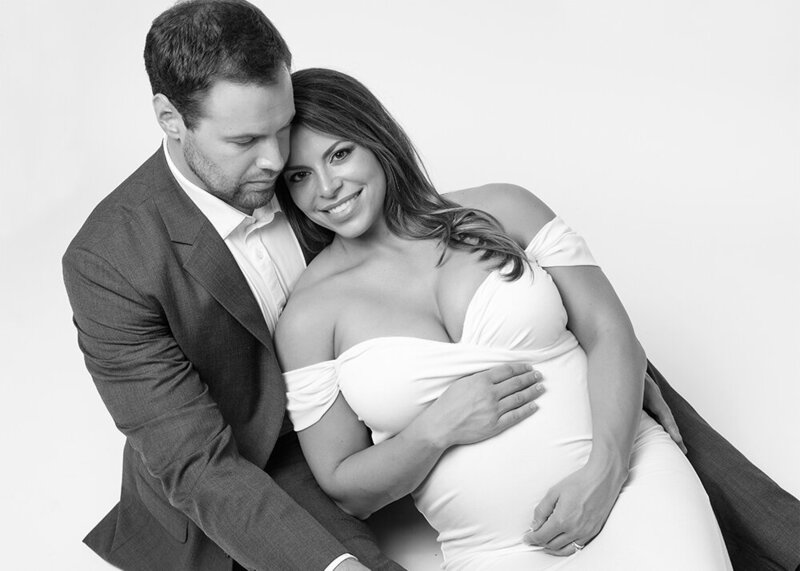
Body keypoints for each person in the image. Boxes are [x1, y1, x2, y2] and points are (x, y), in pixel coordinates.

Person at [273, 68, 734, 570]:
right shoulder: (307, 318)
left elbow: (608, 331)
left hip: (632, 487)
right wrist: (434, 429)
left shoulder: (503, 208)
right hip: (495, 552)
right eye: (299, 175)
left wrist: (606, 470)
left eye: (339, 153)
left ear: (376, 138)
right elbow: (345, 490)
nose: (327, 187)